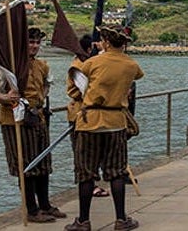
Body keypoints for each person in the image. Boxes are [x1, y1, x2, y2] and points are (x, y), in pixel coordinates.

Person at [65, 25, 143, 231]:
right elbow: (137, 76)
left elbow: (73, 89)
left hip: (90, 121)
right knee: (116, 172)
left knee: (86, 173)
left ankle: (83, 221)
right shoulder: (131, 65)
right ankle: (121, 219)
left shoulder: (92, 62)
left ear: (106, 42)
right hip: (116, 121)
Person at [0, 27, 67, 223]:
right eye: (31, 42)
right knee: (26, 166)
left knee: (43, 164)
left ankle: (45, 205)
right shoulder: (7, 67)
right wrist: (7, 97)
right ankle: (31, 209)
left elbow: (45, 88)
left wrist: (37, 105)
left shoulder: (42, 66)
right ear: (23, 44)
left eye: (37, 42)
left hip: (37, 119)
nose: (35, 46)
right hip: (15, 122)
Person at [65, 34, 109, 198]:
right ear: (89, 49)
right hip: (79, 114)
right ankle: (88, 184)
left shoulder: (89, 64)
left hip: (91, 114)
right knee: (81, 153)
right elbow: (87, 90)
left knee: (93, 152)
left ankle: (92, 182)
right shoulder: (78, 66)